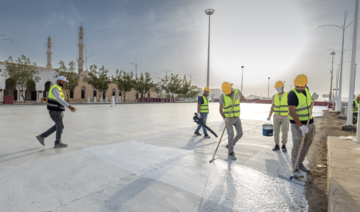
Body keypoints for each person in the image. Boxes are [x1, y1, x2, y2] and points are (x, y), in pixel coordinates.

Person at [288, 74, 318, 178]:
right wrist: (301, 126)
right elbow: (292, 111)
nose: (299, 88)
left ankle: (300, 163)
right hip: (297, 125)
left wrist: (313, 97)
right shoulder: (292, 94)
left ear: (306, 84)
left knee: (307, 143)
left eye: (302, 86)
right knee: (297, 145)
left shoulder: (307, 90)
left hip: (310, 122)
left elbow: (307, 104)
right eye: (297, 86)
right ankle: (295, 168)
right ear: (294, 83)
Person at [36, 76, 77, 148]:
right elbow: (59, 99)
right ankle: (57, 143)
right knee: (59, 126)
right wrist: (69, 106)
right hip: (55, 111)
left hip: (56, 110)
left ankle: (42, 136)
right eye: (62, 81)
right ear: (58, 81)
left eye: (64, 81)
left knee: (60, 126)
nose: (64, 83)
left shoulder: (58, 88)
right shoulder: (55, 88)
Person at [219, 82, 248, 160]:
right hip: (229, 119)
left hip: (237, 118)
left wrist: (239, 98)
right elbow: (220, 110)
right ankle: (230, 152)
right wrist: (225, 118)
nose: (227, 94)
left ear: (231, 88)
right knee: (230, 135)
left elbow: (246, 100)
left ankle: (230, 145)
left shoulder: (237, 92)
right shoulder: (222, 96)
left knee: (240, 134)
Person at [267, 81, 289, 152]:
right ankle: (277, 145)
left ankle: (284, 145)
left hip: (285, 117)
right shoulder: (274, 96)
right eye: (277, 88)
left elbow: (291, 106)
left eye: (279, 88)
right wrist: (269, 115)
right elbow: (272, 106)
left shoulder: (288, 95)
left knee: (285, 132)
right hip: (276, 117)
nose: (278, 89)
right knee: (276, 132)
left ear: (283, 87)